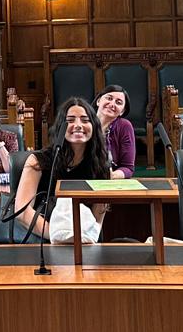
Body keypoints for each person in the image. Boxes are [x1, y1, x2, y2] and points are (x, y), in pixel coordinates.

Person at [8, 96, 114, 245]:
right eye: (70, 120)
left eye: (85, 120)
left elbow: (98, 215)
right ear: (60, 127)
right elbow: (22, 211)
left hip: (85, 241)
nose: (78, 125)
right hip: (42, 240)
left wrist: (85, 238)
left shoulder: (102, 166)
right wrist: (58, 235)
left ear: (94, 127)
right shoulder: (38, 161)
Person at [95, 84, 137, 178]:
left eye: (118, 102)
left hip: (110, 181)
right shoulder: (84, 122)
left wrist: (113, 175)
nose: (112, 104)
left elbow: (128, 168)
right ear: (98, 101)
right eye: (109, 98)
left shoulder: (124, 126)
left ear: (122, 111)